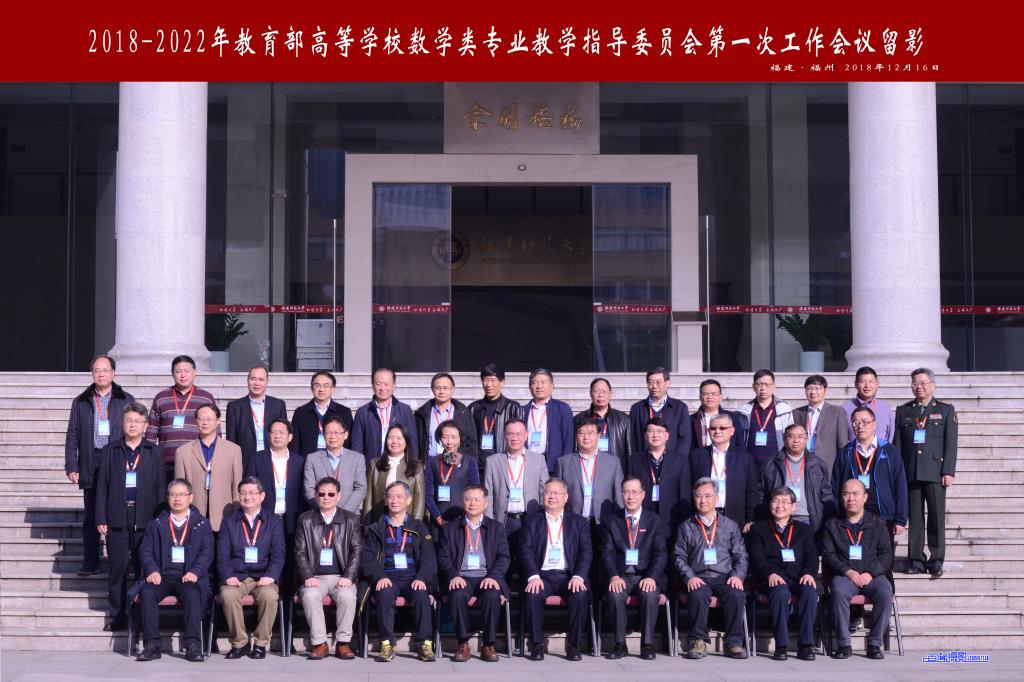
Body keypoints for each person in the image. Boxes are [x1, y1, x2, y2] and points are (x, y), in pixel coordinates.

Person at [94, 401, 165, 631]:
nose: (132, 425)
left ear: (145, 425)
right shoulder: (111, 450)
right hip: (117, 517)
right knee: (117, 569)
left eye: (137, 421)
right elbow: (101, 487)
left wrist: (159, 520)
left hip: (146, 519)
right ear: (122, 423)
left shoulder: (154, 452)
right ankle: (117, 616)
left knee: (142, 569)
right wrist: (101, 517)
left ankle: (140, 616)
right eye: (128, 421)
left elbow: (160, 489)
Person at [65, 354, 134, 576]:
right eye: (97, 370)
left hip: (117, 459)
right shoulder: (81, 401)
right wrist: (72, 465)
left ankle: (122, 561)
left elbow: (133, 432)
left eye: (105, 370)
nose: (101, 374)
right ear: (92, 373)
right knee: (92, 513)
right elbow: (72, 435)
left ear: (113, 373)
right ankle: (90, 561)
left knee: (121, 511)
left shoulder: (126, 399)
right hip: (91, 459)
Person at [135, 478, 214, 662]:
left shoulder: (202, 524)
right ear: (167, 497)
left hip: (188, 576)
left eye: (181, 494)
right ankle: (152, 645)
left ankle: (192, 645)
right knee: (147, 592)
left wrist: (195, 572)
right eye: (173, 494)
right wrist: (152, 570)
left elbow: (207, 552)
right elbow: (145, 551)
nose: (177, 498)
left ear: (190, 497)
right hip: (162, 576)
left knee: (192, 594)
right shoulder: (157, 523)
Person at [361, 481, 438, 663]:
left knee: (421, 594)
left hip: (413, 577)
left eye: (399, 496)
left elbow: (429, 558)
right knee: (384, 594)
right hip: (388, 577)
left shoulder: (419, 527)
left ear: (408, 500)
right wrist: (379, 576)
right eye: (390, 497)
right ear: (385, 501)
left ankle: (425, 643)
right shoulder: (376, 528)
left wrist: (422, 578)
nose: (394, 500)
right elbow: (368, 558)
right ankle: (386, 644)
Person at [674, 477, 748, 660]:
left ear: (717, 498)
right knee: (698, 594)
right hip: (698, 575)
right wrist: (689, 576)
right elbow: (678, 556)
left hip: (724, 576)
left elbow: (741, 555)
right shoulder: (686, 526)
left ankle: (733, 643)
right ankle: (697, 641)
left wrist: (737, 576)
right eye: (698, 496)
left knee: (736, 594)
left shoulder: (730, 525)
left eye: (707, 496)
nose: (703, 500)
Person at [519, 478, 592, 662]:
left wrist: (578, 576)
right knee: (533, 593)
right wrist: (533, 576)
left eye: (556, 493)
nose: (551, 496)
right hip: (541, 575)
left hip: (568, 575)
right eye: (548, 492)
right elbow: (525, 550)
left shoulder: (578, 522)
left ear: (566, 497)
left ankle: (574, 645)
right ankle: (536, 645)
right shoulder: (531, 521)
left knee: (580, 594)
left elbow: (586, 552)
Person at [894, 368, 958, 577]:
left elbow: (951, 443)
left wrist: (948, 471)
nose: (918, 387)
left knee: (936, 517)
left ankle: (936, 559)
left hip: (935, 471)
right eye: (914, 383)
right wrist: (898, 473)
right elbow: (898, 445)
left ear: (933, 385)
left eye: (922, 383)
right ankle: (916, 560)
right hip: (911, 471)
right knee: (915, 518)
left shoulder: (945, 410)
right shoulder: (904, 411)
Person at [822, 478, 893, 660]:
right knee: (838, 591)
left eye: (855, 494)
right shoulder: (832, 524)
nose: (851, 498)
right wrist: (848, 571)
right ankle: (844, 644)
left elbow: (886, 555)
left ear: (865, 497)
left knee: (885, 592)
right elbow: (828, 555)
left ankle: (874, 644)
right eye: (846, 494)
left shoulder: (877, 523)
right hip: (845, 575)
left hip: (872, 576)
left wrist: (871, 573)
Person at [437, 485, 510, 663]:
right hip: (461, 577)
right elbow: (443, 557)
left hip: (487, 576)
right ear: (463, 502)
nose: (472, 503)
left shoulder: (496, 528)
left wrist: (494, 576)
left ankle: (489, 644)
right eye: (468, 499)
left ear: (485, 503)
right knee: (456, 595)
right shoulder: (450, 528)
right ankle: (462, 643)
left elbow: (504, 557)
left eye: (477, 499)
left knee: (492, 595)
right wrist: (453, 575)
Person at [216, 477, 286, 659]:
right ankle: (240, 643)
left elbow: (278, 553)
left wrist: (271, 575)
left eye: (252, 493)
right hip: (237, 576)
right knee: (228, 595)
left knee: (269, 596)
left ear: (262, 496)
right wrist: (228, 575)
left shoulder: (274, 521)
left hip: (263, 576)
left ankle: (261, 643)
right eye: (243, 493)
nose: (247, 497)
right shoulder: (229, 522)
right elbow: (222, 554)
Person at [599, 477, 668, 661]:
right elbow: (606, 553)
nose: (630, 497)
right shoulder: (611, 520)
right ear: (621, 494)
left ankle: (647, 644)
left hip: (645, 575)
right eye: (626, 492)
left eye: (635, 492)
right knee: (614, 594)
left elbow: (660, 553)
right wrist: (614, 576)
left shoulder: (654, 521)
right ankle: (620, 644)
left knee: (650, 594)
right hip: (621, 575)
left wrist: (652, 577)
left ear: (643, 495)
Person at [747, 487, 819, 661]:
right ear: (770, 504)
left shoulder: (804, 530)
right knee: (780, 592)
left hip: (798, 577)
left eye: (785, 502)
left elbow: (811, 557)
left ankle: (806, 645)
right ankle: (781, 645)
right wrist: (770, 573)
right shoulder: (758, 529)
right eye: (776, 500)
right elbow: (757, 558)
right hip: (772, 579)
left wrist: (809, 573)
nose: (780, 505)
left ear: (793, 507)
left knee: (810, 592)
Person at [295, 476, 362, 660]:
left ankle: (343, 643)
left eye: (331, 494)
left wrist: (349, 576)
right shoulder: (305, 519)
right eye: (322, 494)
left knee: (347, 596)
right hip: (315, 577)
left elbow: (357, 550)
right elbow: (299, 552)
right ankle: (320, 644)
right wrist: (308, 576)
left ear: (339, 496)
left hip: (341, 576)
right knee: (310, 595)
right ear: (316, 496)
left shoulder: (351, 519)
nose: (326, 497)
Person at [246, 418, 305, 597]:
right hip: (265, 518)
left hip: (291, 518)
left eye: (281, 432)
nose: (277, 436)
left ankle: (287, 602)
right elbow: (249, 489)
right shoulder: (257, 459)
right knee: (268, 557)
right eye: (273, 432)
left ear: (290, 437)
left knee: (290, 561)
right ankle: (268, 597)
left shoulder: (300, 461)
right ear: (268, 435)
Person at [832, 406, 908, 542]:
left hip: (883, 515)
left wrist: (900, 519)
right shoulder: (845, 453)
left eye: (865, 422)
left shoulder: (890, 451)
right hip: (852, 516)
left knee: (884, 554)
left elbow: (900, 485)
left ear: (874, 424)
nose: (860, 426)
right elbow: (836, 487)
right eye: (855, 423)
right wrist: (838, 516)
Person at [483, 418, 548, 570]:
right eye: (510, 434)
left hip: (530, 519)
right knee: (502, 561)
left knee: (529, 561)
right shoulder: (493, 461)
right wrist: (490, 522)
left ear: (526, 435)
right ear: (504, 436)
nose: (514, 438)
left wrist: (542, 519)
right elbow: (488, 493)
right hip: (503, 520)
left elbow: (543, 491)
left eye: (518, 434)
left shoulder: (538, 459)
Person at [174, 403, 243, 533]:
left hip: (224, 516)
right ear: (196, 421)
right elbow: (179, 489)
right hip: (194, 517)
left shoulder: (233, 450)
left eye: (209, 419)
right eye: (201, 419)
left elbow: (237, 485)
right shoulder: (183, 452)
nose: (205, 422)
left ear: (218, 421)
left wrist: (236, 514)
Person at [146, 355, 216, 480]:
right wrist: (149, 458)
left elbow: (215, 431)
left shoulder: (206, 398)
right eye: (178, 371)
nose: (183, 375)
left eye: (187, 371)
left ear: (194, 372)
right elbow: (151, 431)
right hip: (167, 463)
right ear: (172, 374)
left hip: (198, 461)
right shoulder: (161, 398)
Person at [759, 424, 833, 533]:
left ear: (806, 439)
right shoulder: (771, 464)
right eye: (791, 436)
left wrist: (829, 521)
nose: (796, 440)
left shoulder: (817, 465)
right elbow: (760, 494)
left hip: (808, 520)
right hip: (780, 519)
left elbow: (826, 495)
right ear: (784, 439)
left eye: (800, 436)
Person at [690, 414, 759, 531]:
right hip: (703, 518)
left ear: (732, 431)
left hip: (734, 518)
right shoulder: (697, 455)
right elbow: (690, 487)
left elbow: (751, 491)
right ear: (708, 431)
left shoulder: (745, 457)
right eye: (713, 428)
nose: (717, 431)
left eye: (722, 428)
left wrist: (750, 519)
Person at [627, 417, 691, 542]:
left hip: (671, 520)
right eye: (651, 431)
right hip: (642, 519)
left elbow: (684, 494)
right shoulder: (634, 460)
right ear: (645, 435)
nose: (655, 435)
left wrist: (683, 523)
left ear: (667, 436)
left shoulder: (680, 460)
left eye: (660, 431)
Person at [556, 417, 623, 525]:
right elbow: (557, 496)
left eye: (591, 433)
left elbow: (618, 497)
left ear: (598, 435)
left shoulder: (613, 462)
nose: (586, 437)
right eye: (581, 433)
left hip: (603, 523)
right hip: (573, 523)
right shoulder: (563, 462)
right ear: (576, 436)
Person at [351, 367, 419, 463]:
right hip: (372, 465)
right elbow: (357, 445)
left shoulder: (405, 410)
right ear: (372, 385)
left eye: (386, 384)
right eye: (378, 384)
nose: (382, 388)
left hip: (400, 465)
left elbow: (413, 442)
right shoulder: (363, 412)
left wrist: (412, 464)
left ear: (394, 385)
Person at [225, 365, 287, 470]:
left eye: (261, 379)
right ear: (247, 381)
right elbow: (231, 440)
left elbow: (284, 435)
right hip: (245, 462)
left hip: (273, 460)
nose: (257, 383)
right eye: (253, 379)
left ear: (267, 382)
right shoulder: (234, 407)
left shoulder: (278, 405)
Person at [468, 363, 523, 477]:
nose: (489, 384)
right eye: (485, 380)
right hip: (479, 467)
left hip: (504, 466)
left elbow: (520, 438)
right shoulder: (474, 408)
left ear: (502, 382)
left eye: (493, 380)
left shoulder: (513, 408)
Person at [303, 415, 366, 513]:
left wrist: (343, 513)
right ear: (323, 435)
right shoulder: (312, 459)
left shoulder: (357, 458)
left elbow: (360, 488)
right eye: (328, 433)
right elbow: (309, 489)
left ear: (345, 435)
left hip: (349, 515)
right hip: (320, 515)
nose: (332, 437)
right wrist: (323, 510)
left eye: (336, 432)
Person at [734, 369, 794, 470]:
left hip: (777, 464)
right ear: (753, 387)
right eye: (759, 384)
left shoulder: (785, 410)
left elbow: (790, 436)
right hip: (750, 465)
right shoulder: (743, 411)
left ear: (774, 386)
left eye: (766, 384)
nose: (762, 388)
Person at [364, 424, 426, 523]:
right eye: (391, 438)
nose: (394, 441)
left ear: (406, 441)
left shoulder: (416, 466)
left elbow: (420, 499)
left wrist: (415, 525)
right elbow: (368, 498)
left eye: (399, 438)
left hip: (406, 521)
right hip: (379, 521)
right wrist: (367, 524)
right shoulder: (375, 464)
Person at [425, 420, 480, 528]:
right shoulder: (433, 462)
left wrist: (468, 517)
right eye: (445, 437)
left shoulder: (469, 461)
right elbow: (428, 495)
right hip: (438, 521)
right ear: (440, 439)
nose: (449, 442)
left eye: (454, 437)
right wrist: (438, 518)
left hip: (463, 521)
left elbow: (474, 492)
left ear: (460, 439)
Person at [415, 372, 479, 460]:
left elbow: (472, 444)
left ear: (452, 389)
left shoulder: (463, 413)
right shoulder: (422, 414)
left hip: (455, 463)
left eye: (445, 388)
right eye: (438, 388)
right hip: (430, 463)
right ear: (432, 389)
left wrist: (457, 462)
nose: (442, 391)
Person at [628, 367, 691, 456]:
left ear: (668, 383)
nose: (654, 386)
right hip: (643, 461)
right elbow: (631, 438)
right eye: (650, 382)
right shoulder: (637, 409)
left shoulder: (680, 408)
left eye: (658, 382)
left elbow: (685, 439)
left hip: (671, 461)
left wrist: (677, 461)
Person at [791, 374, 848, 473]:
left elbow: (842, 444)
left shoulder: (837, 412)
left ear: (825, 390)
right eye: (809, 388)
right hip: (802, 462)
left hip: (828, 464)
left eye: (817, 388)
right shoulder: (796, 413)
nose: (813, 392)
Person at [573, 377, 632, 470]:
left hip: (614, 469)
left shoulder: (624, 419)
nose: (600, 395)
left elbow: (629, 451)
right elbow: (574, 448)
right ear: (590, 394)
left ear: (610, 394)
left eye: (604, 391)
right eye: (596, 391)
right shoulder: (579, 419)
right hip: (587, 468)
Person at [290, 371, 353, 457]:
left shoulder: (344, 412)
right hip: (308, 462)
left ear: (333, 389)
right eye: (317, 385)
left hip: (337, 461)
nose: (321, 389)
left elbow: (349, 442)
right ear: (312, 388)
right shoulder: (300, 413)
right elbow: (294, 445)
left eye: (326, 385)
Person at [524, 368, 574, 473]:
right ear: (530, 386)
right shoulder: (522, 410)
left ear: (551, 386)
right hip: (527, 463)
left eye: (543, 382)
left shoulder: (562, 409)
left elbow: (568, 440)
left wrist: (564, 467)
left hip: (553, 465)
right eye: (535, 382)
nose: (539, 386)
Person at [690, 379, 746, 452]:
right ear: (700, 397)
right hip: (700, 457)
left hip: (728, 457)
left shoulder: (732, 417)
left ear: (720, 397)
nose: (710, 397)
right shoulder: (690, 420)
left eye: (713, 394)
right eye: (705, 394)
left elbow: (740, 443)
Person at [842, 366, 896, 443]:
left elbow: (890, 438)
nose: (867, 386)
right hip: (853, 450)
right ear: (856, 384)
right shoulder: (845, 409)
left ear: (877, 384)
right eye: (862, 381)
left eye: (871, 381)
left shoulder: (886, 410)